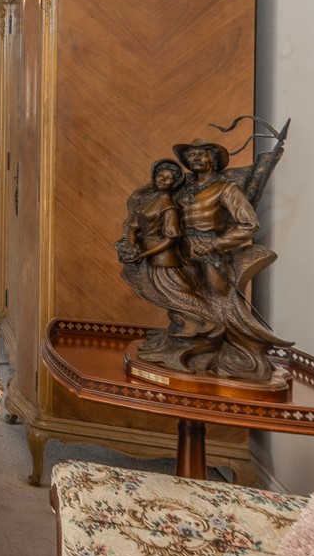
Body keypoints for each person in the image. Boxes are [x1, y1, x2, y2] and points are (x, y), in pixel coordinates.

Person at [171, 139, 289, 381]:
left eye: (201, 154)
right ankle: (191, 341)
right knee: (181, 299)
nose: (195, 159)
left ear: (213, 159)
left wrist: (215, 244)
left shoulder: (226, 189)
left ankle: (238, 349)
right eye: (191, 155)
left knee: (221, 300)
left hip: (212, 252)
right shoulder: (183, 189)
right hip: (180, 251)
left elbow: (248, 224)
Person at [117, 160, 221, 370]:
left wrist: (144, 253)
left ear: (175, 183)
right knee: (167, 298)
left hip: (163, 260)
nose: (163, 180)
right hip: (146, 256)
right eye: (160, 176)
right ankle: (182, 333)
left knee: (179, 297)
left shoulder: (169, 207)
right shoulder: (148, 200)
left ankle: (207, 329)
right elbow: (133, 225)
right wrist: (132, 246)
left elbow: (170, 238)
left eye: (169, 178)